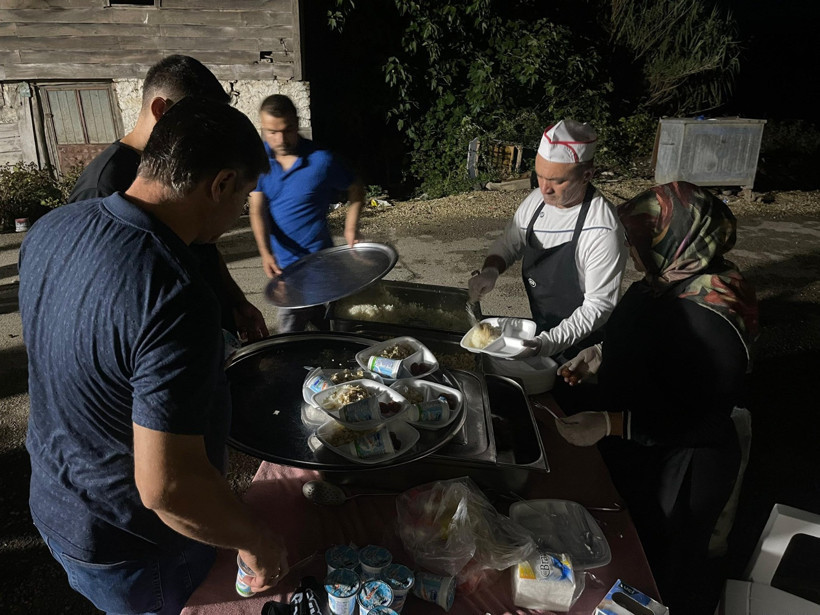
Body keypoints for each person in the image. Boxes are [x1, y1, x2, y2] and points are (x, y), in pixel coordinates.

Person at [19, 97, 288, 615]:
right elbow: (168, 488)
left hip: (55, 502)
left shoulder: (52, 227)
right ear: (221, 184)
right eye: (244, 196)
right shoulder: (175, 291)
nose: (238, 215)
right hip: (132, 545)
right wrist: (255, 539)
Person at [554, 181, 759, 614]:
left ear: (676, 239)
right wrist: (601, 355)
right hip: (638, 450)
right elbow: (658, 348)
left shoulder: (712, 316)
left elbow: (706, 420)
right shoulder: (664, 279)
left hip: (680, 473)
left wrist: (611, 423)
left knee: (659, 569)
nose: (629, 249)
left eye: (638, 240)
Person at [69, 54, 268, 343]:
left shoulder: (183, 170)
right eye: (198, 122)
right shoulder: (102, 187)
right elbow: (97, 304)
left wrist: (234, 301)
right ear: (161, 110)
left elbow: (204, 245)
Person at [468, 119, 626, 361]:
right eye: (540, 176)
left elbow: (598, 306)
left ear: (587, 175)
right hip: (541, 330)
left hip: (585, 346)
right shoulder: (535, 202)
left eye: (558, 181)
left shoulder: (602, 227)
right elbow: (509, 243)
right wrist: (491, 270)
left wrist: (548, 344)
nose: (545, 189)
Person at [249, 94, 365, 332]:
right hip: (287, 273)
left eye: (287, 130)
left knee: (338, 334)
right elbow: (257, 209)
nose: (280, 139)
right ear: (262, 127)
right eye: (271, 132)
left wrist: (351, 228)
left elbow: (356, 189)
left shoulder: (321, 160)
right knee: (289, 342)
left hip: (325, 265)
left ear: (297, 124)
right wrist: (265, 253)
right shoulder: (258, 160)